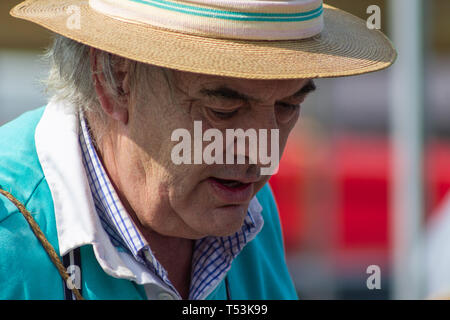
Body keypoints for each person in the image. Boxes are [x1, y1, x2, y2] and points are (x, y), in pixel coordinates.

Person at [0, 0, 396, 300]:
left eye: (288, 106)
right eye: (223, 109)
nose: (261, 155)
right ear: (115, 80)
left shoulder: (249, 207)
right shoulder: (8, 235)